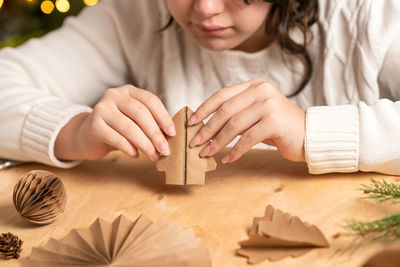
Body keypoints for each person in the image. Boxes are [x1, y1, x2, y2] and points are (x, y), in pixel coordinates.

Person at [0, 0, 399, 175]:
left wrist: (314, 132)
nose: (205, 8)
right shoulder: (133, 11)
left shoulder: (369, 13)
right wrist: (73, 130)